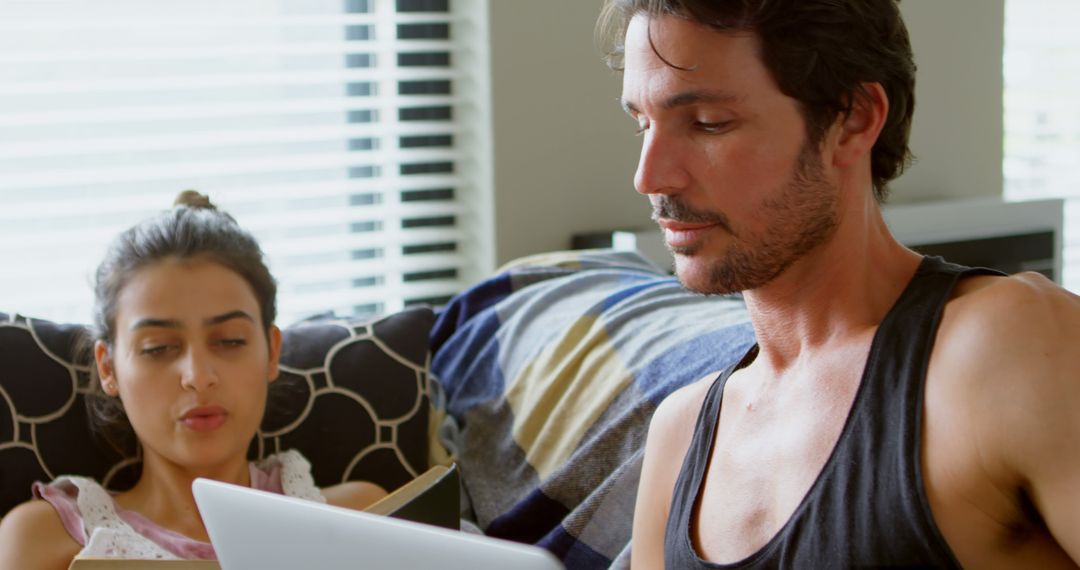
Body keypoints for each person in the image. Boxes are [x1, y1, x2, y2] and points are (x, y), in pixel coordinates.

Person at [596, 0, 1080, 567]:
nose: (649, 176)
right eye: (643, 124)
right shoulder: (679, 435)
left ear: (852, 119)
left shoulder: (1009, 349)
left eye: (707, 123)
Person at [0, 191, 387, 567]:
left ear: (271, 352)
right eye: (157, 348)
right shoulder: (46, 540)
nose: (198, 378)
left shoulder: (363, 517)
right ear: (108, 367)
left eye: (231, 341)